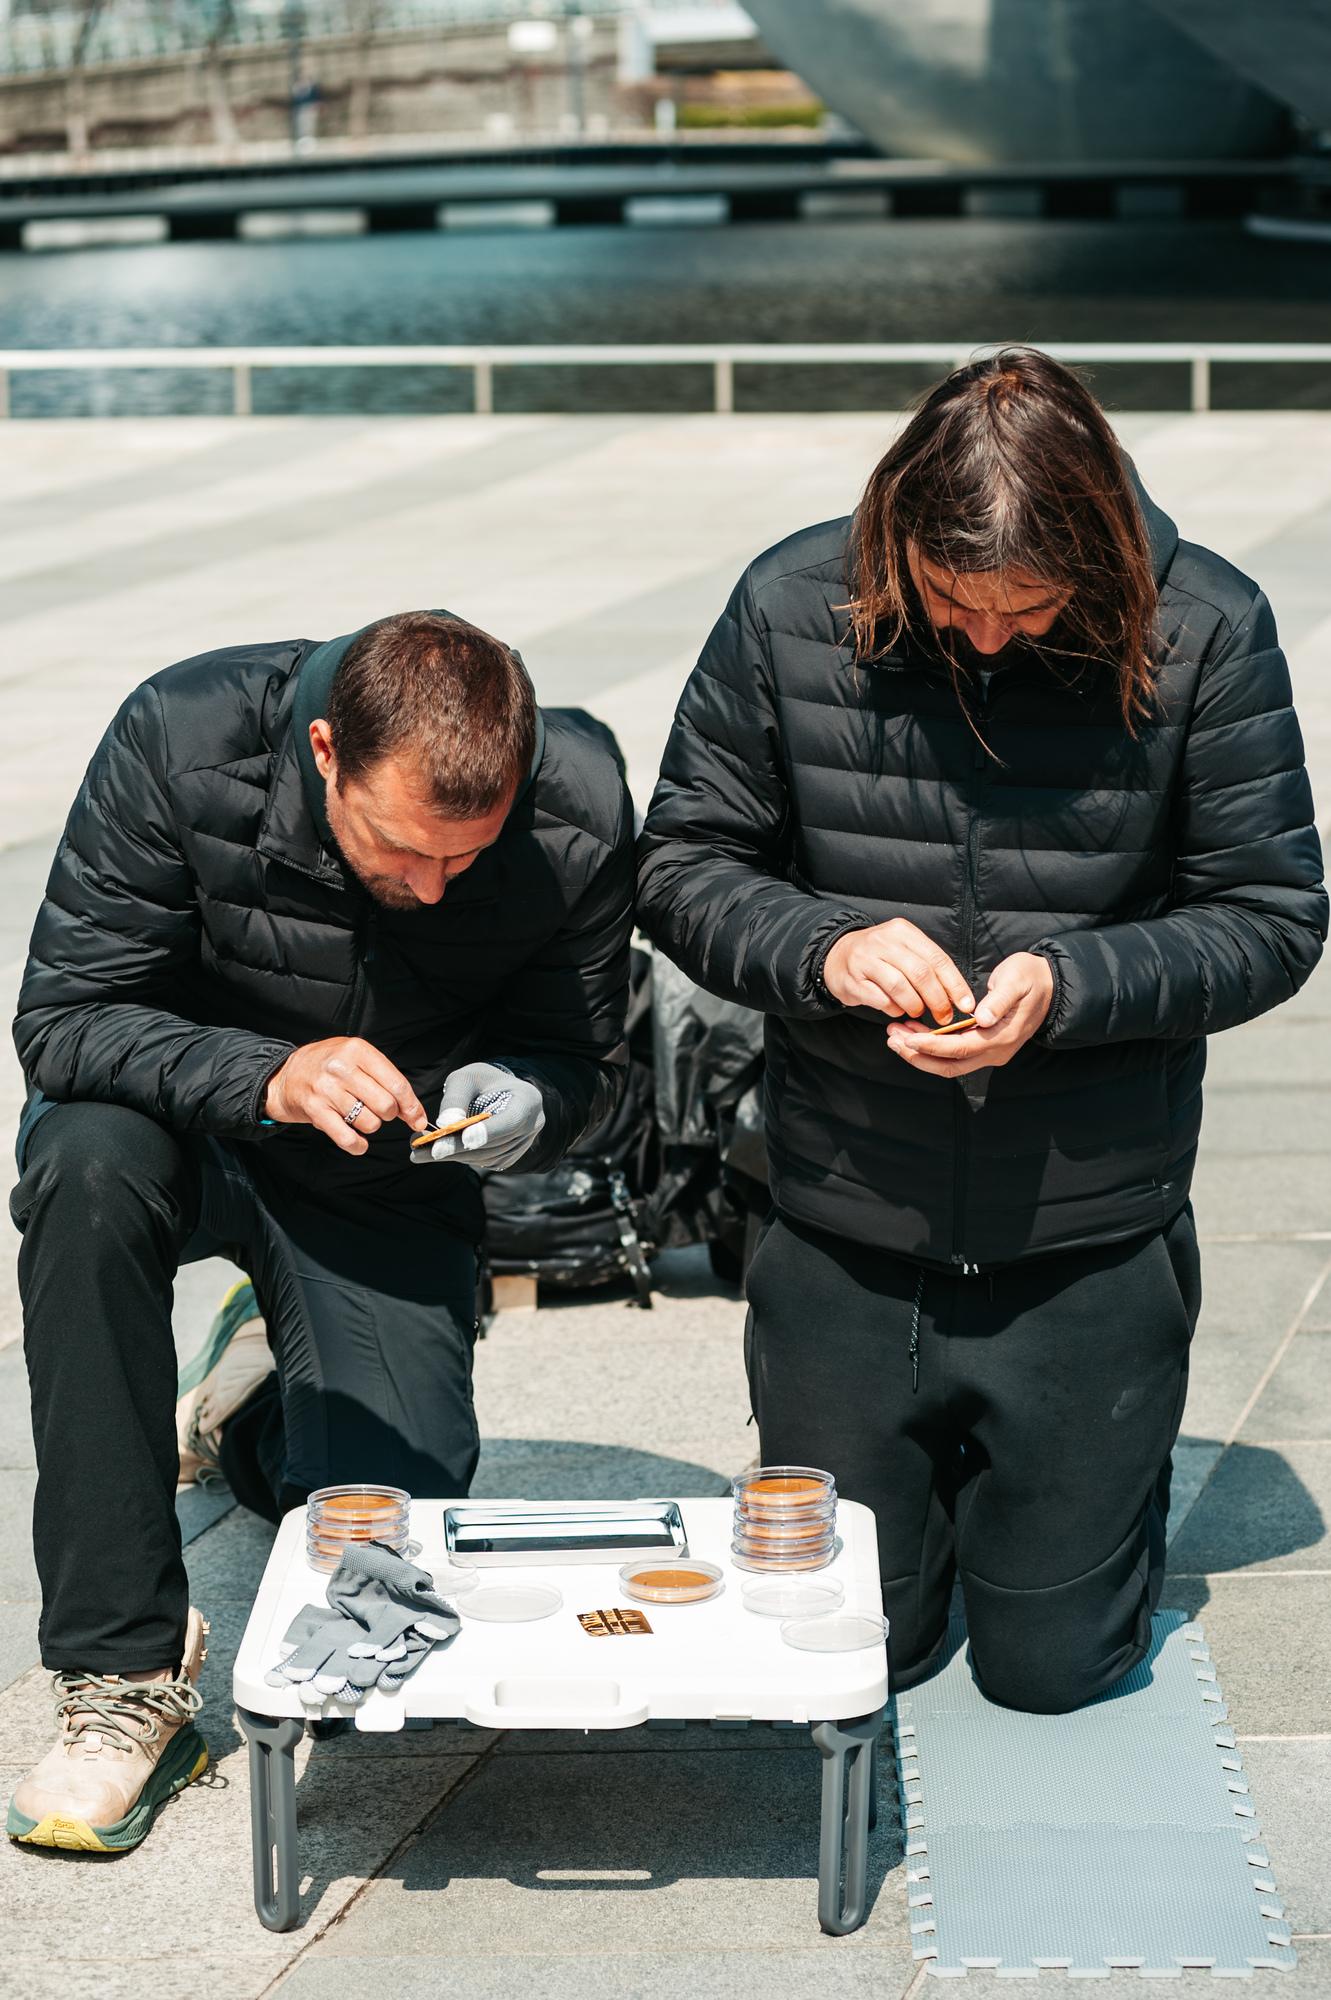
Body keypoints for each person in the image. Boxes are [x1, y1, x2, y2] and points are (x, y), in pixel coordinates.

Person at [637, 348, 1327, 1716]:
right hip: (844, 1211)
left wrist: (1068, 989)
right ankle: (923, 1483)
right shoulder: (787, 604)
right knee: (850, 1649)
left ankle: (1063, 1491)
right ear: (896, 538)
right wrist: (823, 948)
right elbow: (680, 865)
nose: (990, 640)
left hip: (1084, 1226)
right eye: (954, 603)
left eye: (1029, 607)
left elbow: (1271, 914)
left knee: (1050, 1671)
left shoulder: (1205, 625)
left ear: (1101, 555)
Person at [8, 609, 634, 1851]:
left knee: (366, 1608)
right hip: (178, 1127)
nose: (432, 884)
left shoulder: (577, 799)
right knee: (83, 1167)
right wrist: (267, 1073)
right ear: (325, 751)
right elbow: (66, 1019)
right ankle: (122, 1677)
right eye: (401, 848)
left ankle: (252, 1407)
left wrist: (531, 1097)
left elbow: (585, 1060)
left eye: (466, 857)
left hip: (380, 1177)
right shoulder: (180, 737)